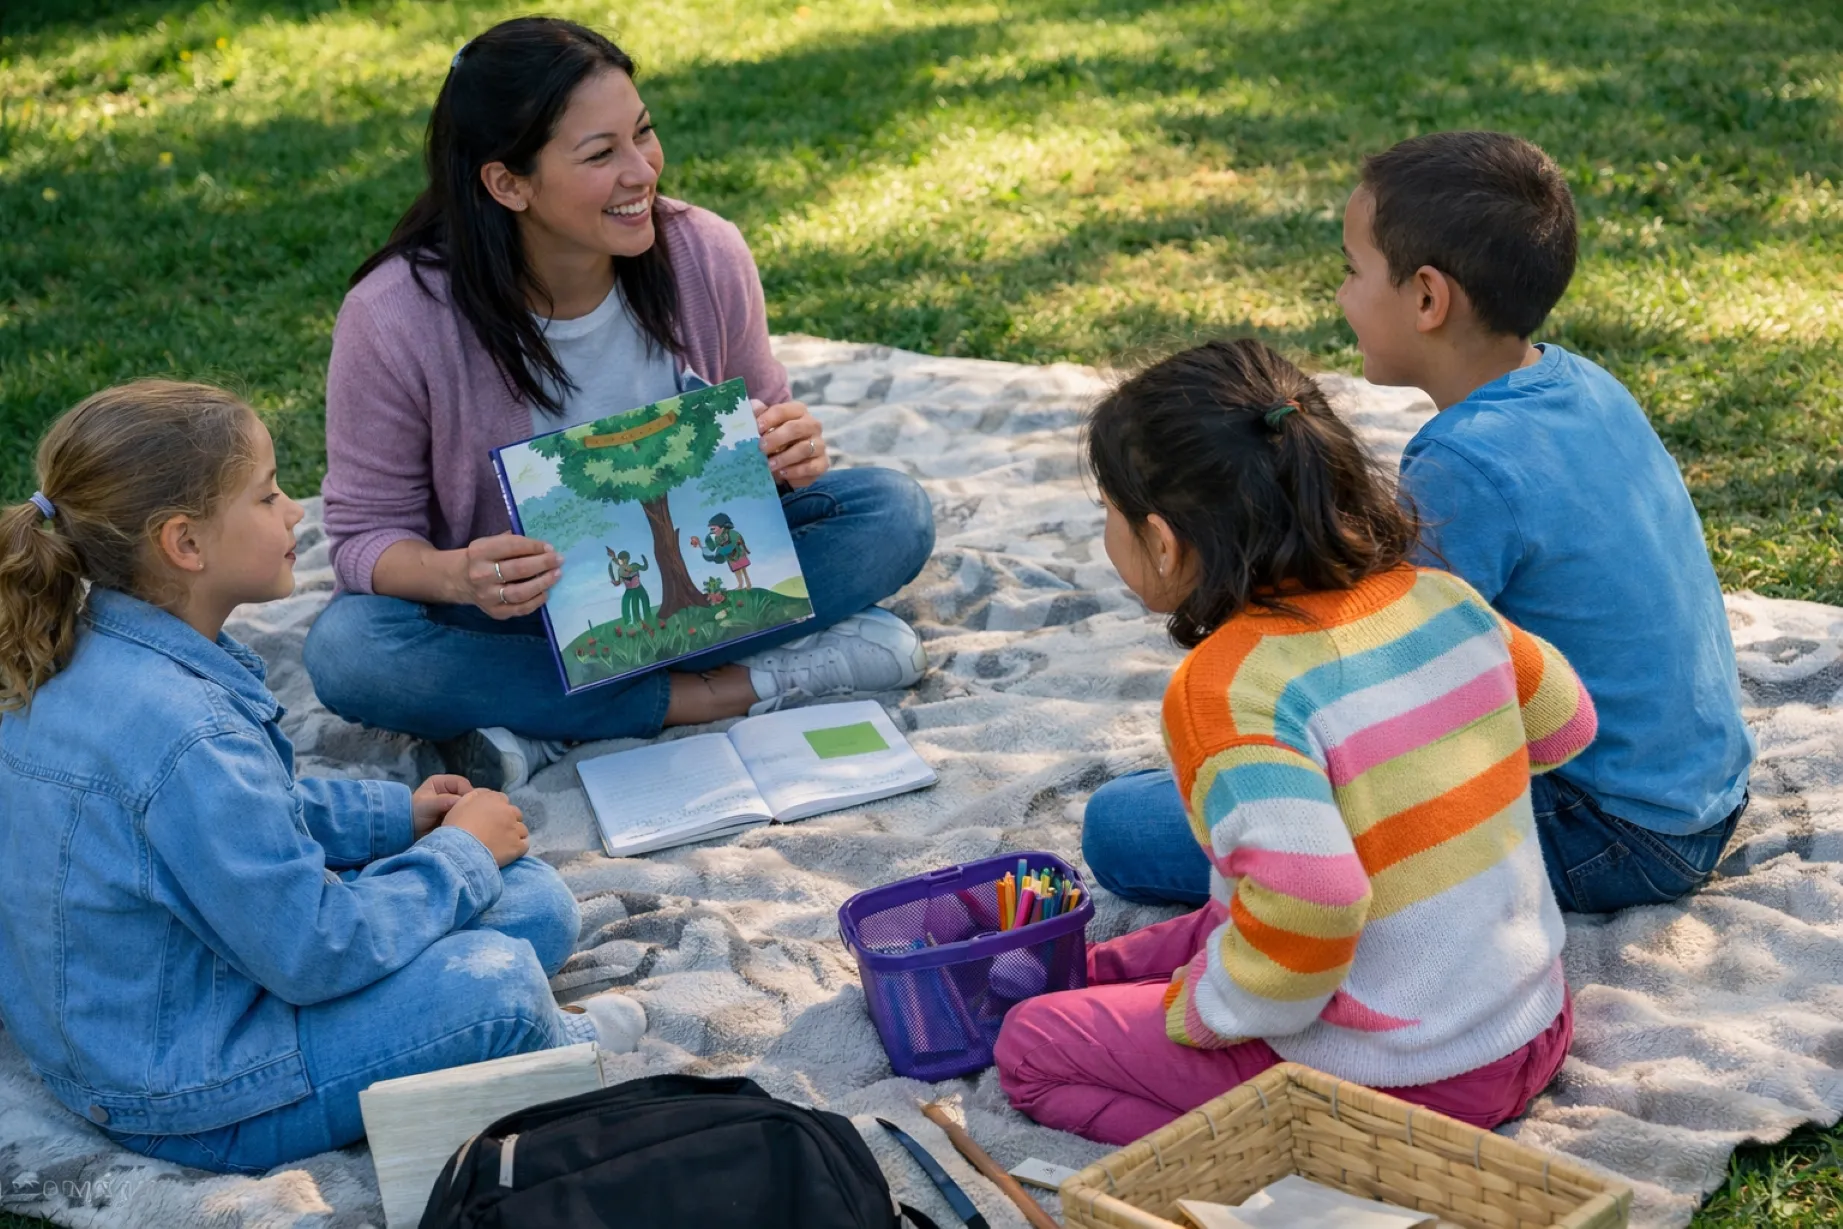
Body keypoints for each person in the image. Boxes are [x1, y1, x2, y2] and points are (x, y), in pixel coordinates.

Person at [1081, 132, 1753, 916]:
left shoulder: (1464, 463)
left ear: (1427, 298)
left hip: (1607, 828)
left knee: (1121, 825)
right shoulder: (1582, 382)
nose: (1340, 296)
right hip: (1700, 790)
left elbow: (1387, 687)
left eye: (1351, 270)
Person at [0, 381, 645, 1175]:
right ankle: (559, 1046)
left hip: (172, 999)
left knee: (535, 900)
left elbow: (240, 820)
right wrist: (460, 855)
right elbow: (313, 950)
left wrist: (398, 817)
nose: (294, 512)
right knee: (500, 985)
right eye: (268, 494)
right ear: (185, 543)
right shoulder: (188, 731)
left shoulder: (86, 648)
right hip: (188, 1091)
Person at [305, 16, 935, 790]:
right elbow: (363, 539)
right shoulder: (394, 317)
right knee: (349, 649)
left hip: (701, 583)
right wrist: (458, 576)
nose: (642, 171)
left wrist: (787, 453)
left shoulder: (705, 253)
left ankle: (538, 718)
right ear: (508, 183)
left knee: (893, 511)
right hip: (512, 616)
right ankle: (737, 685)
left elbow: (761, 453)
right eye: (601, 154)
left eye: (643, 133)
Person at [995, 339, 1592, 1145]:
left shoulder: (1223, 685)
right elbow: (1565, 720)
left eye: (1108, 510)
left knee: (1030, 1046)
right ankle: (1110, 980)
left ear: (1163, 540)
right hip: (1530, 1022)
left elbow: (1315, 900)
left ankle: (1289, 1144)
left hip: (1408, 1075)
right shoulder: (1444, 598)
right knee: (1185, 934)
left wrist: (1209, 1013)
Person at [696, 513, 751, 589]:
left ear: (722, 526)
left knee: (743, 570)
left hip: (738, 553)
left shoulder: (731, 533)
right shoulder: (717, 537)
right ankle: (740, 584)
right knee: (736, 570)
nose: (712, 531)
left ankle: (748, 584)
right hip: (730, 557)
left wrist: (723, 551)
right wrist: (701, 545)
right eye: (711, 529)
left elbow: (733, 543)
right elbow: (714, 548)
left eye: (713, 529)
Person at [609, 547, 652, 624]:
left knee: (644, 600)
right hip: (629, 590)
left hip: (639, 588)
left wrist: (614, 558)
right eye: (621, 560)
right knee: (628, 603)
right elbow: (620, 581)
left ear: (627, 559)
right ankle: (630, 621)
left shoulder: (634, 566)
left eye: (623, 559)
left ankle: (648, 617)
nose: (622, 561)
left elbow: (643, 568)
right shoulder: (620, 571)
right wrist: (616, 582)